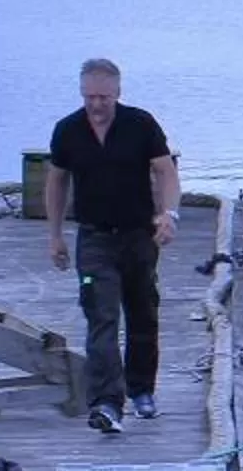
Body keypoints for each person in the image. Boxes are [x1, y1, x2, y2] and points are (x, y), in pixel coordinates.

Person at [46, 57, 180, 432]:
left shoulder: (140, 124)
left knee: (142, 314)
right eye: (90, 97)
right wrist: (54, 235)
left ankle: (142, 391)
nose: (97, 105)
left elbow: (166, 170)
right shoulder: (68, 130)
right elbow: (56, 182)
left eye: (104, 97)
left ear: (118, 93)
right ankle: (107, 403)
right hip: (93, 238)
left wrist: (169, 214)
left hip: (139, 235)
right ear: (81, 93)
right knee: (100, 318)